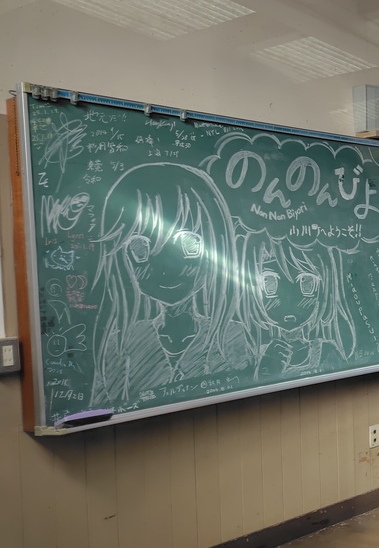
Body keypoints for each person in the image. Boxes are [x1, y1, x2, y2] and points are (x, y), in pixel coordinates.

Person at [91, 164, 250, 407]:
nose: (166, 269)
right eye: (140, 248)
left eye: (188, 244)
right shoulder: (121, 344)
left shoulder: (231, 337)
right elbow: (103, 407)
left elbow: (247, 385)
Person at [241, 230, 355, 378]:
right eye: (269, 282)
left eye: (306, 282)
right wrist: (266, 370)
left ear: (323, 288)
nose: (288, 300)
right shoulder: (246, 354)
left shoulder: (327, 352)